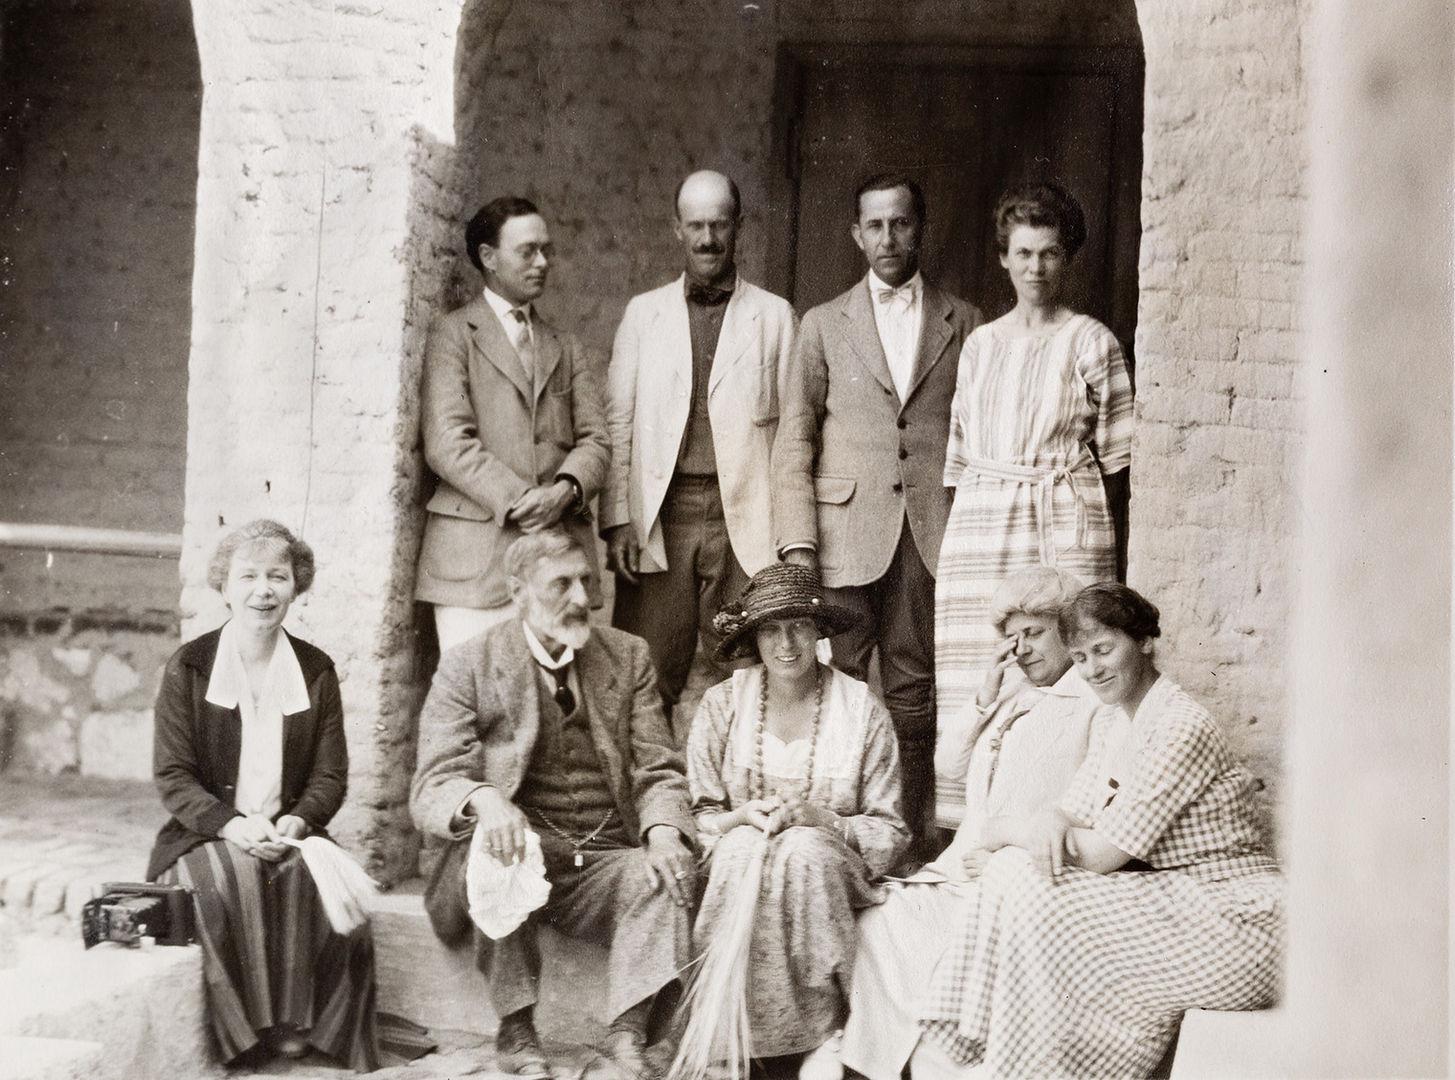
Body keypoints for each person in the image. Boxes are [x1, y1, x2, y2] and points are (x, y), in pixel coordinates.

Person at [915, 583, 1283, 1079]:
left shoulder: (1180, 725)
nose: (1093, 670)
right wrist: (1044, 822)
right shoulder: (1116, 720)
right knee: (1011, 873)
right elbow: (1070, 811)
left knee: (1034, 887)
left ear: (1146, 642)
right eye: (1081, 657)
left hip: (1239, 919)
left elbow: (1104, 853)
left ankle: (1049, 1067)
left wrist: (1005, 829)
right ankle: (999, 1051)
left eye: (1105, 650)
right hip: (1180, 896)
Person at [411, 528, 699, 1080]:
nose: (580, 598)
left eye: (586, 582)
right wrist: (483, 799)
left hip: (602, 856)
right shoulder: (469, 664)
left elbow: (657, 766)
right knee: (499, 847)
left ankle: (627, 1036)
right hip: (520, 848)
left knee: (662, 872)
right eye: (559, 584)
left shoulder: (627, 655)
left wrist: (663, 829)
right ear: (517, 591)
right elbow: (434, 781)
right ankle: (517, 1030)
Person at [773, 172, 982, 858]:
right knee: (837, 683)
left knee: (913, 688)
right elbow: (794, 439)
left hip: (928, 533)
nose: (888, 238)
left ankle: (910, 836)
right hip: (841, 539)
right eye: (875, 225)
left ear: (919, 228)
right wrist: (798, 545)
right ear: (855, 234)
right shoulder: (823, 324)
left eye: (900, 223)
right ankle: (834, 831)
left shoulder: (965, 321)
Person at [147, 520, 396, 1071]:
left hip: (291, 832)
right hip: (203, 834)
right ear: (226, 587)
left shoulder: (315, 670)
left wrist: (299, 823)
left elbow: (331, 777)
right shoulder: (189, 667)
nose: (264, 590)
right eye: (250, 576)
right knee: (221, 885)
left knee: (326, 891)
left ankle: (296, 1028)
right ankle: (243, 1033)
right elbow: (173, 775)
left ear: (295, 586)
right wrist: (230, 824)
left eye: (278, 577)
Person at [839, 567, 1105, 1080]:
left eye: (1034, 633)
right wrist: (984, 697)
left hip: (1019, 880)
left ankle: (912, 1066)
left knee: (918, 940)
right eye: (1012, 638)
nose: (1022, 649)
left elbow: (1085, 808)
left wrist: (1011, 848)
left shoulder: (1091, 704)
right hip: (962, 869)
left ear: (1068, 632)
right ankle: (876, 1066)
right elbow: (948, 768)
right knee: (877, 925)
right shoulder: (1011, 696)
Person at [684, 562, 910, 1080]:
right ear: (754, 639)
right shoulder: (723, 705)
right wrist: (739, 817)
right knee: (745, 852)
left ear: (820, 632)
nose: (787, 644)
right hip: (739, 855)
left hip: (827, 866)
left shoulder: (860, 709)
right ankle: (728, 1034)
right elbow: (697, 815)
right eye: (770, 630)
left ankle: (822, 1031)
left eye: (799, 627)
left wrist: (823, 820)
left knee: (802, 851)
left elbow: (889, 829)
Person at [933, 181, 1134, 763]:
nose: (1036, 267)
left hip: (1064, 516)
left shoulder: (1089, 340)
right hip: (983, 519)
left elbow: (1119, 458)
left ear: (1065, 257)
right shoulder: (980, 345)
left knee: (1070, 654)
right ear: (1004, 258)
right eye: (1023, 253)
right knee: (984, 656)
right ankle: (971, 816)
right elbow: (960, 455)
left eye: (1048, 252)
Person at [602, 170, 797, 734]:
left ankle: (734, 810)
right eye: (696, 226)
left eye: (719, 224)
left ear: (738, 226)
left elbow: (791, 433)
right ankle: (645, 812)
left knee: (740, 669)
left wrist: (787, 534)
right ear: (677, 230)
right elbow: (619, 420)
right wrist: (618, 518)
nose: (708, 239)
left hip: (746, 516)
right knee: (643, 669)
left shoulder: (775, 316)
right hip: (662, 514)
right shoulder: (645, 314)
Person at [415, 196, 610, 653]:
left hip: (557, 561)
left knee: (553, 699)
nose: (542, 262)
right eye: (527, 251)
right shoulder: (453, 335)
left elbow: (597, 440)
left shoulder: (566, 345)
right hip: (475, 565)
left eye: (546, 250)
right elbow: (447, 441)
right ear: (488, 257)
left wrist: (564, 491)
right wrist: (526, 501)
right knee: (477, 694)